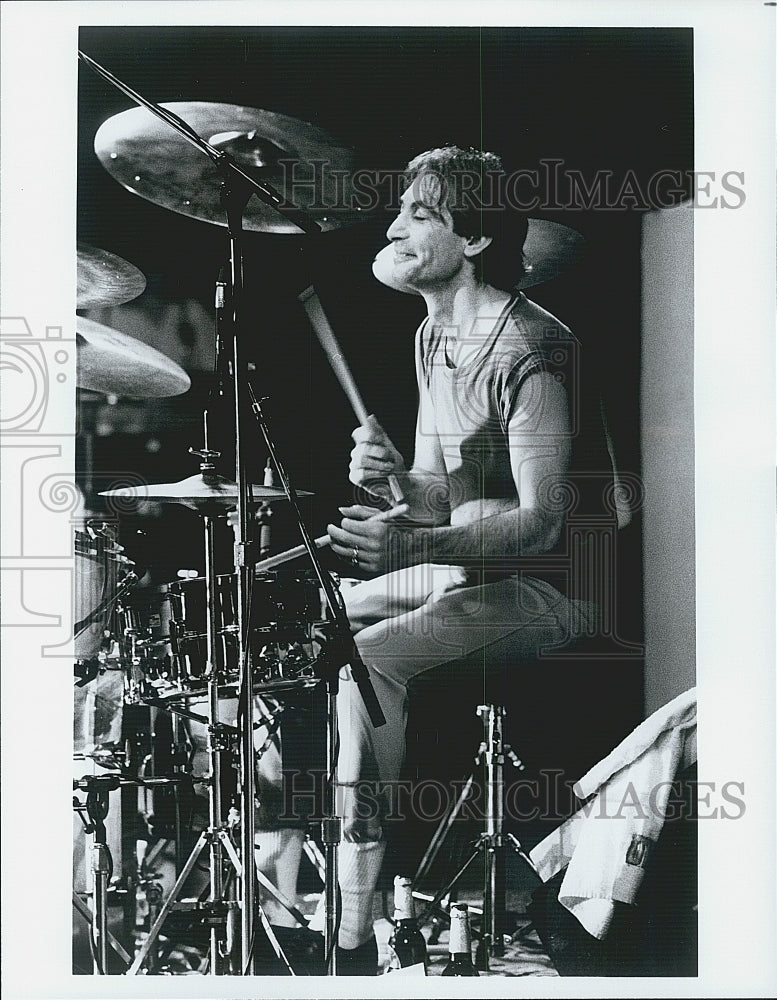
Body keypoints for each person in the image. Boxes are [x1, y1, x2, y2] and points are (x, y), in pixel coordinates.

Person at [324, 145, 609, 973]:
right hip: (470, 573)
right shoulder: (431, 335)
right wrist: (388, 482)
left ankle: (351, 920)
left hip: (554, 588)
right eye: (401, 210)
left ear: (474, 238)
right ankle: (340, 864)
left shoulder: (532, 347)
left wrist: (409, 542)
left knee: (371, 657)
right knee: (321, 608)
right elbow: (436, 498)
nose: (396, 227)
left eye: (421, 213)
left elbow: (543, 524)